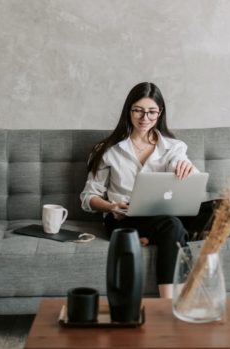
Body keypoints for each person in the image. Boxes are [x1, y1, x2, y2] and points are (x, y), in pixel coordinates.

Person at [80, 82, 197, 299]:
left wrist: (186, 167)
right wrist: (111, 206)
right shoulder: (108, 150)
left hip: (159, 216)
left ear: (160, 113)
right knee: (173, 226)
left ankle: (148, 236)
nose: (145, 118)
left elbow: (179, 164)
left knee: (186, 218)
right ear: (129, 111)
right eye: (138, 110)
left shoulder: (174, 147)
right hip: (123, 217)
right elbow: (88, 197)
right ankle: (169, 303)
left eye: (152, 111)